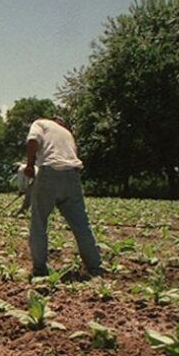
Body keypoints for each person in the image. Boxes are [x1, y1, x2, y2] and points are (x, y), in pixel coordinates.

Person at [24, 117, 102, 277]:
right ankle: (95, 267)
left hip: (50, 170)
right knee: (82, 224)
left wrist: (30, 165)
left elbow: (32, 140)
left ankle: (39, 269)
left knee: (39, 223)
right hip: (73, 174)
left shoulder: (40, 123)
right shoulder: (68, 133)